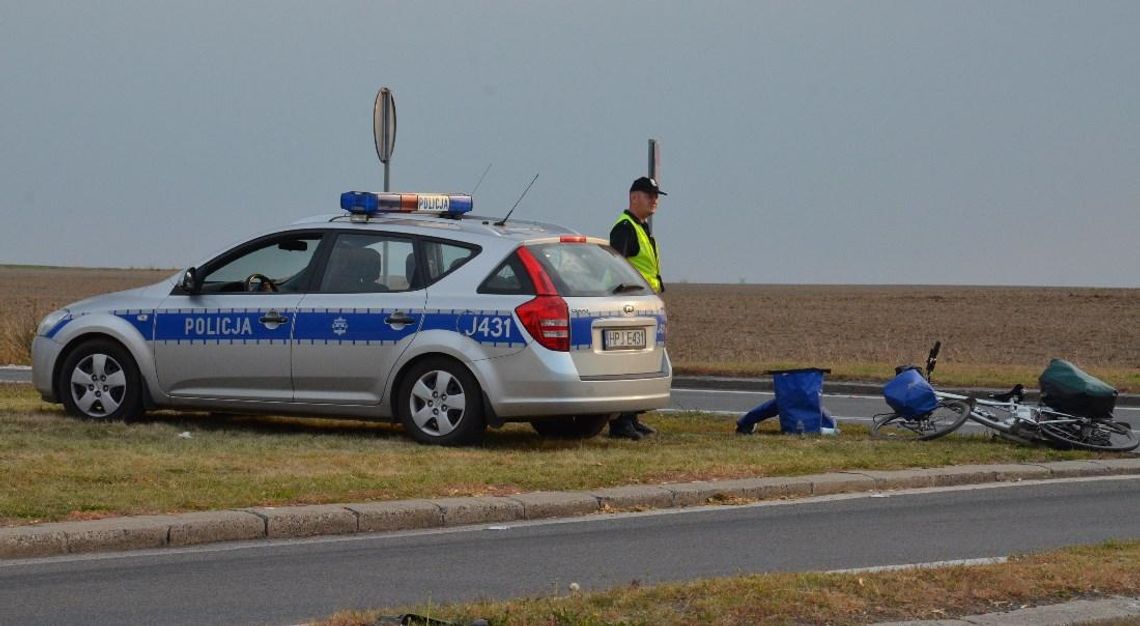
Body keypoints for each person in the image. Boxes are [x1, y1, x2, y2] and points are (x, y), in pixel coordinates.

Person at [608, 176, 666, 440]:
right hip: (628, 307)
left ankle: (631, 418)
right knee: (625, 364)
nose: (655, 200)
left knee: (638, 364)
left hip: (643, 305)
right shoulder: (624, 227)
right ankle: (620, 423)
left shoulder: (640, 227)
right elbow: (615, 268)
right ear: (634, 197)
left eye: (656, 195)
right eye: (649, 194)